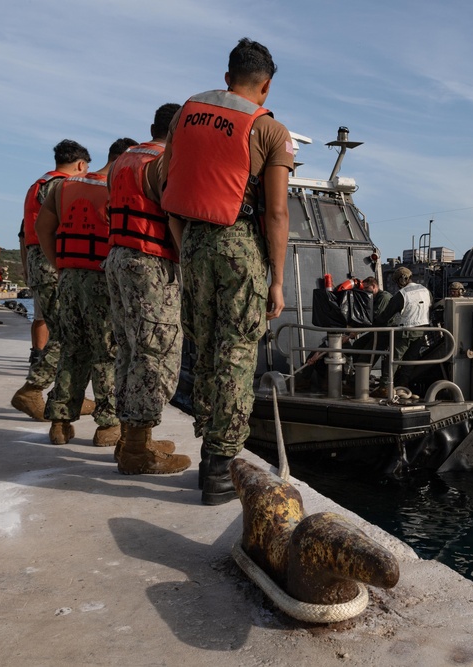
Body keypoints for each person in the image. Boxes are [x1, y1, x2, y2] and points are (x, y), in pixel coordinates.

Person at [161, 37, 293, 505]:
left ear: (226, 78)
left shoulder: (186, 114)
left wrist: (185, 244)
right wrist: (276, 279)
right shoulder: (270, 131)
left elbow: (166, 185)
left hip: (192, 241)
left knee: (204, 347)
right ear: (266, 87)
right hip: (240, 244)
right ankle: (220, 468)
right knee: (236, 352)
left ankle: (206, 449)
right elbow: (276, 214)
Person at [104, 104, 190, 475]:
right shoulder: (164, 161)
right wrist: (188, 265)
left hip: (118, 258)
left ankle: (131, 437)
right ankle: (138, 450)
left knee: (129, 348)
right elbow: (173, 214)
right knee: (157, 352)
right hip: (150, 261)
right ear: (176, 131)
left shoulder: (124, 160)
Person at [35, 138, 136, 447]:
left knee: (71, 349)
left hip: (68, 277)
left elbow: (42, 229)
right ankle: (107, 425)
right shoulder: (116, 190)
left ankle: (60, 423)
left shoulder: (62, 188)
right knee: (107, 352)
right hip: (103, 278)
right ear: (123, 160)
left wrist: (60, 265)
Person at [12, 140, 92, 421]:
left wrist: (27, 268)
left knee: (64, 329)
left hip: (38, 261)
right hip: (53, 262)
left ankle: (68, 396)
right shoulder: (62, 187)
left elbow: (25, 233)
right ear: (81, 165)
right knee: (67, 333)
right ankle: (32, 389)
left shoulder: (37, 185)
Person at [370, 265, 431, 398]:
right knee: (410, 361)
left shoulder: (402, 294)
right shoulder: (425, 290)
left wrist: (371, 324)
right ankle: (403, 386)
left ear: (401, 280)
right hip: (421, 332)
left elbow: (386, 314)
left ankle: (385, 387)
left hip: (404, 331)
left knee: (393, 359)